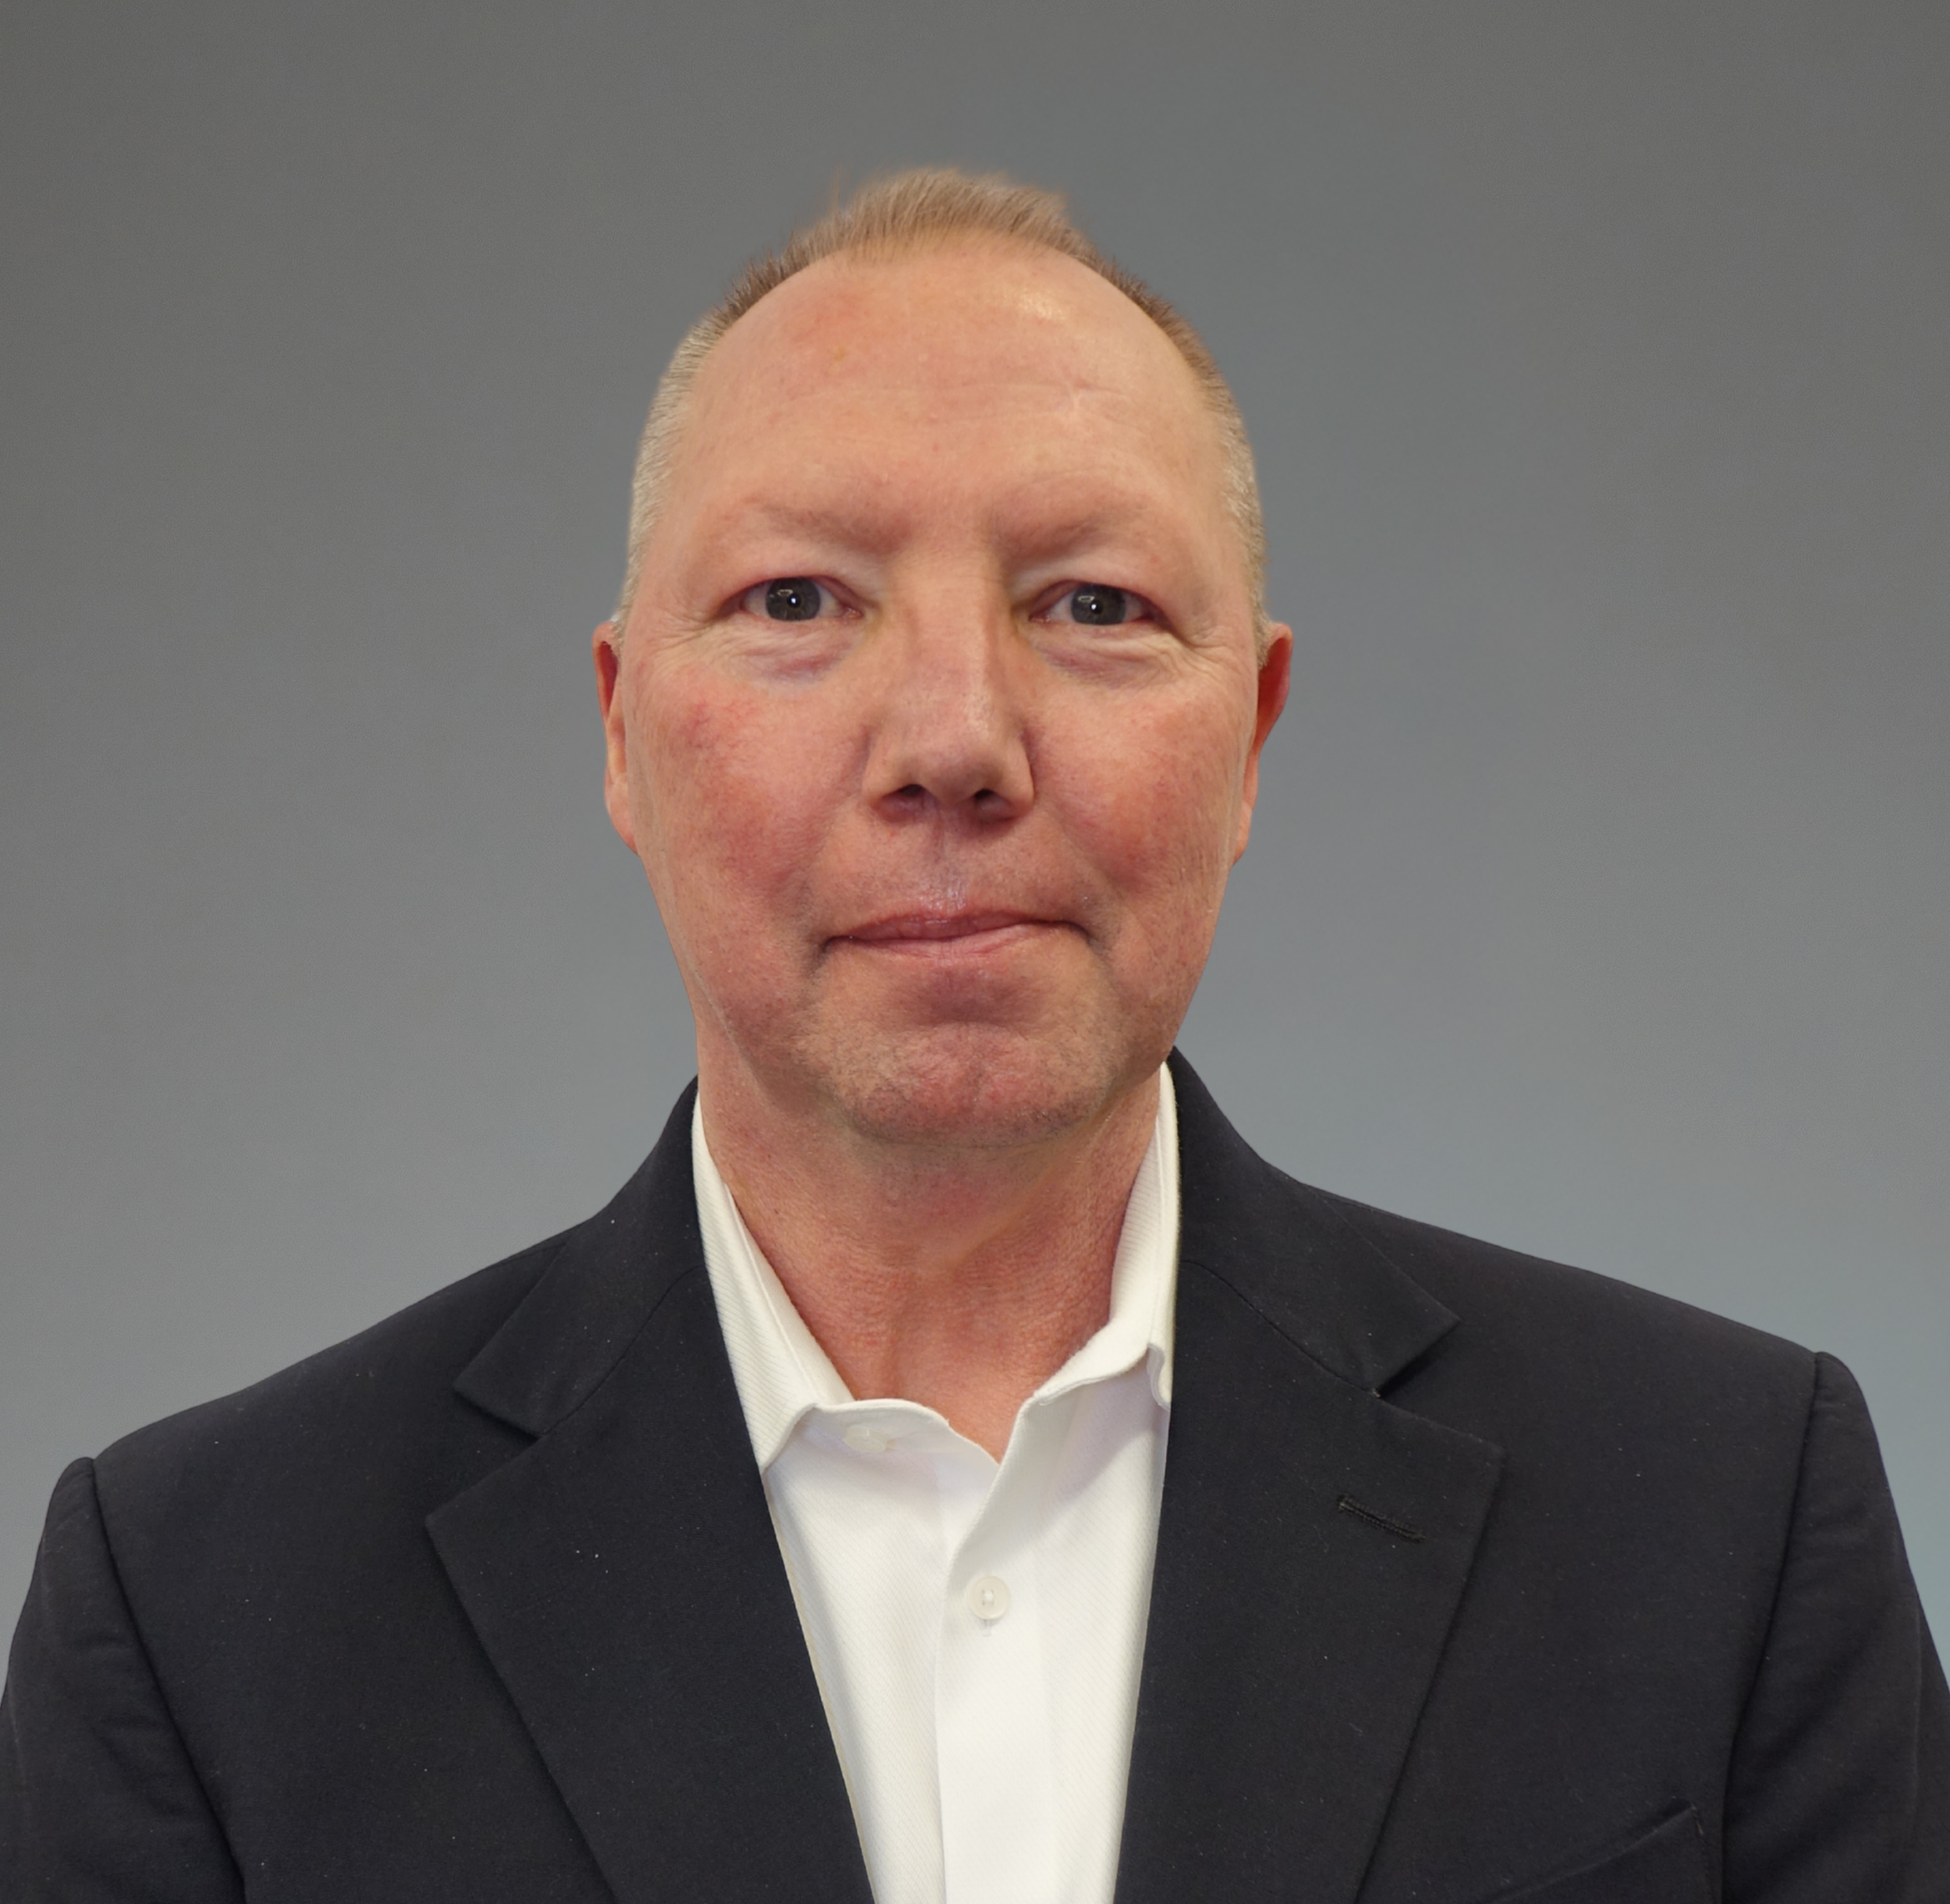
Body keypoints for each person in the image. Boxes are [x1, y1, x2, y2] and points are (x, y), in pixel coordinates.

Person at [2, 169, 1943, 1903]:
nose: (952, 740)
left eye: (1089, 602)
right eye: (797, 600)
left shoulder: (1721, 1518)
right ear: (619, 725)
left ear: (1249, 732)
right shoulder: (196, 1615)